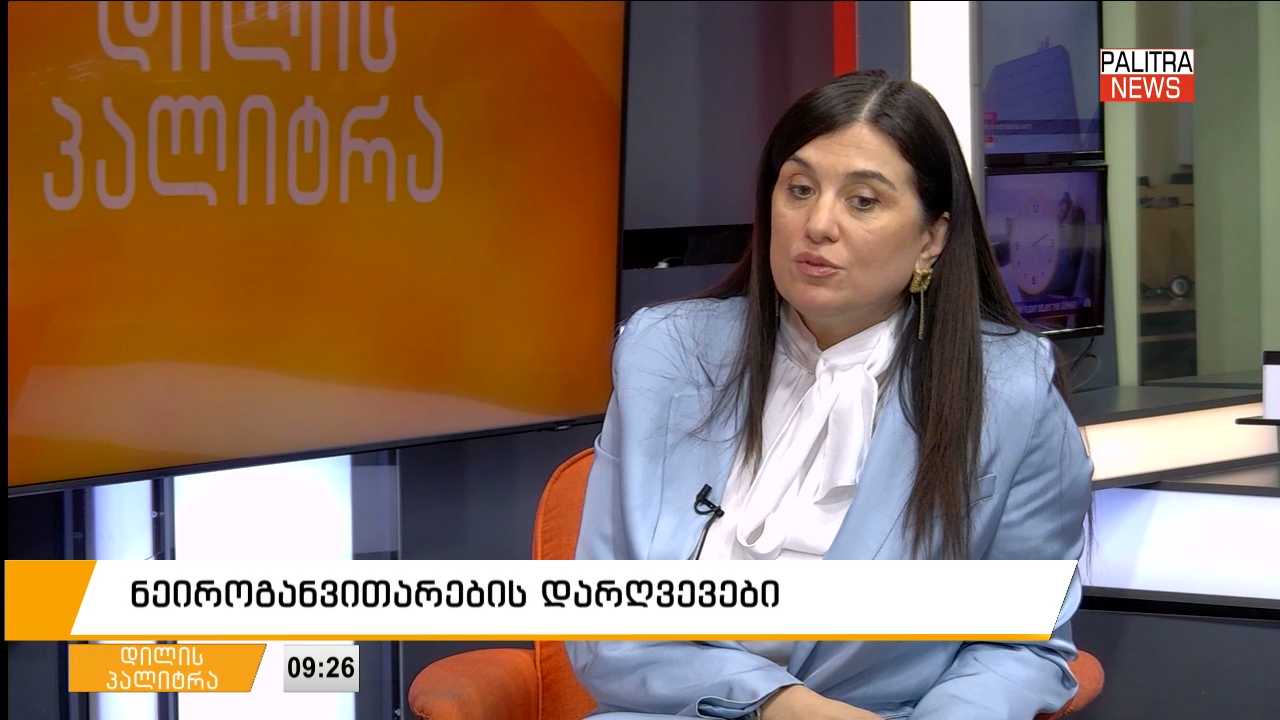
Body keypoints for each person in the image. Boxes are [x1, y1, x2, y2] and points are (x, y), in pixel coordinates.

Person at [566, 70, 1093, 720]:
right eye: (799, 189)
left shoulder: (1010, 392)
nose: (818, 224)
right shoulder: (663, 354)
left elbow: (1020, 646)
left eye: (863, 201)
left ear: (931, 239)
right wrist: (778, 705)